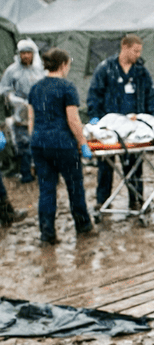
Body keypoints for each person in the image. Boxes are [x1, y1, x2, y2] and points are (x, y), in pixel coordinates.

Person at [27, 48, 93, 245]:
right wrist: (83, 143)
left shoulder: (35, 88)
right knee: (75, 187)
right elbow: (73, 119)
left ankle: (47, 234)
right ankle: (83, 227)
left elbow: (31, 119)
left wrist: (35, 143)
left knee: (46, 190)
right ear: (64, 65)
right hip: (63, 144)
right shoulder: (67, 87)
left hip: (39, 143)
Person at [87, 34, 154, 211]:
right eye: (135, 51)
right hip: (110, 128)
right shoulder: (106, 69)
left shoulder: (141, 71)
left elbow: (151, 96)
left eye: (139, 51)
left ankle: (137, 200)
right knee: (105, 166)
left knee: (134, 166)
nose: (137, 55)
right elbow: (94, 95)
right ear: (124, 47)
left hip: (133, 128)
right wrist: (96, 120)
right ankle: (102, 201)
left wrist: (149, 120)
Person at [0, 39, 45, 183]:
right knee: (23, 144)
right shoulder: (12, 71)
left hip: (38, 112)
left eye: (28, 53)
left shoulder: (39, 70)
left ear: (33, 54)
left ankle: (41, 171)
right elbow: (4, 90)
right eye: (23, 53)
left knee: (39, 142)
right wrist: (15, 100)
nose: (25, 56)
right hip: (19, 114)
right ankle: (25, 173)